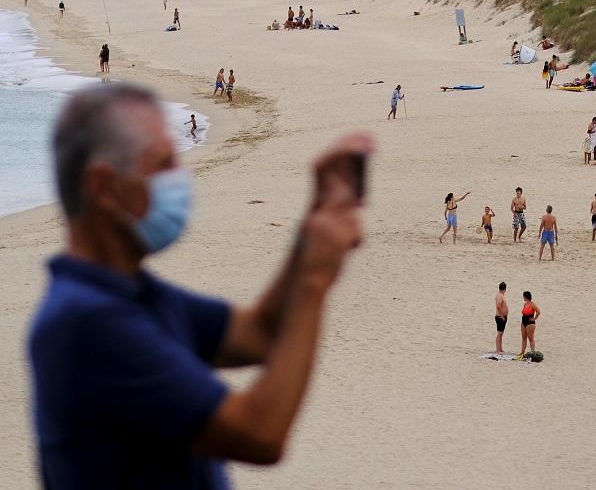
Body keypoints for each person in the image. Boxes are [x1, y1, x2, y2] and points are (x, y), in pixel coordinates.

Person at [28, 83, 373, 488]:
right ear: (105, 187)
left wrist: (312, 226)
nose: (180, 177)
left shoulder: (133, 294)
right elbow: (260, 435)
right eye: (165, 163)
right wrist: (315, 279)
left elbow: (261, 333)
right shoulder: (87, 323)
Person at [516, 291, 541, 357]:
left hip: (530, 323)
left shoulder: (532, 304)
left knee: (531, 338)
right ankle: (522, 352)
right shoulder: (525, 304)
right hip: (523, 321)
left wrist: (534, 319)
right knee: (524, 337)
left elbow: (538, 311)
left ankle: (533, 352)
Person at [494, 282, 509, 353]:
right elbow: (498, 306)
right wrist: (501, 315)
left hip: (502, 316)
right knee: (499, 333)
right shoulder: (500, 296)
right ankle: (497, 349)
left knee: (501, 333)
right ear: (505, 289)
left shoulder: (500, 295)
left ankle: (500, 348)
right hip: (500, 316)